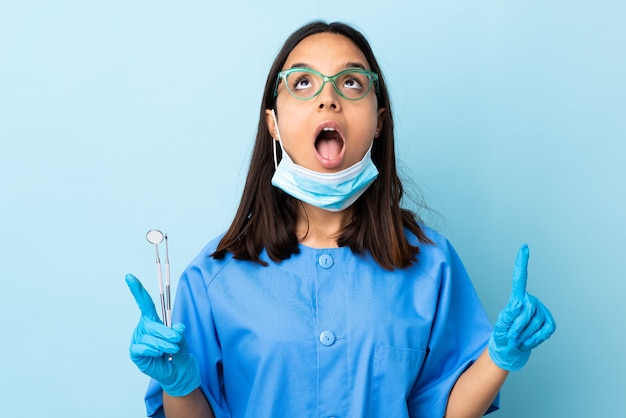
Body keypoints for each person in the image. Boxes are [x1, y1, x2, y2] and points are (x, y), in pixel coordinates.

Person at [126, 21, 556, 418]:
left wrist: (499, 357)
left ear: (378, 122)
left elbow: (443, 410)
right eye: (303, 83)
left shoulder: (430, 263)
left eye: (351, 82)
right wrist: (180, 385)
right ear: (273, 123)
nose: (327, 97)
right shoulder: (215, 276)